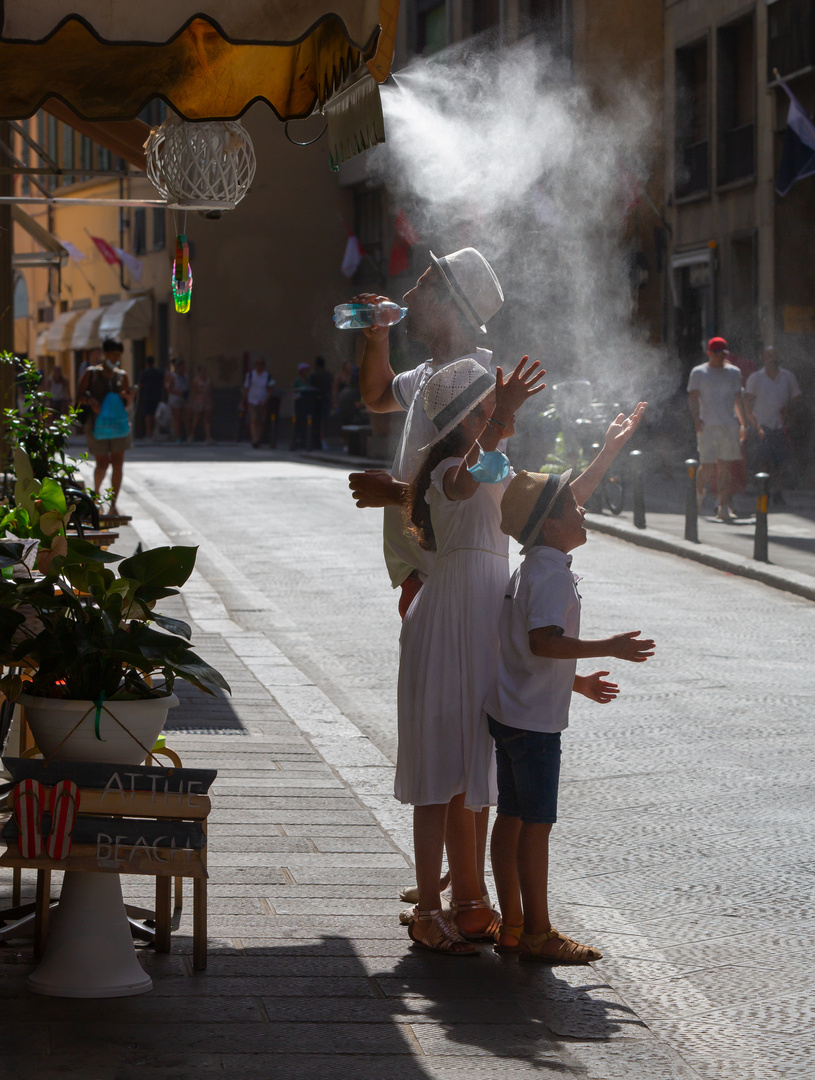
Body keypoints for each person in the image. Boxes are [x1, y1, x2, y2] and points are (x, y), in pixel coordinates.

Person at [396, 355, 546, 954]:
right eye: (486, 406)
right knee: (439, 768)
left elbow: (535, 506)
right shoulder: (449, 470)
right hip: (450, 614)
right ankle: (428, 911)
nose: (498, 414)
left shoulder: (493, 459)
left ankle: (470, 902)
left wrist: (607, 455)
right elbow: (466, 481)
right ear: (466, 417)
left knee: (478, 765)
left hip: (486, 613)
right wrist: (502, 417)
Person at [486, 470, 655, 961]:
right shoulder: (552, 573)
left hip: (511, 710)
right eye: (572, 508)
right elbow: (544, 641)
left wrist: (576, 682)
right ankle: (538, 930)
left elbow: (524, 644)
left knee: (512, 818)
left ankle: (513, 924)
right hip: (535, 724)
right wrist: (612, 647)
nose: (582, 511)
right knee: (536, 824)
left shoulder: (532, 567)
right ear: (552, 526)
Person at [688, 336, 748, 521]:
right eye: (718, 353)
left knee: (725, 468)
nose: (721, 357)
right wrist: (696, 420)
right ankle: (698, 494)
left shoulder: (733, 372)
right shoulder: (699, 372)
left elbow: (738, 399)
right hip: (708, 426)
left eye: (724, 353)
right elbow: (692, 397)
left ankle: (723, 505)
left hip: (729, 426)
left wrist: (743, 423)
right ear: (710, 353)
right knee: (706, 466)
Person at [75, 338, 134, 511]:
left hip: (118, 425)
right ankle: (96, 494)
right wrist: (91, 401)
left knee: (117, 462)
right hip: (96, 425)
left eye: (118, 355)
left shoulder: (122, 376)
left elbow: (126, 404)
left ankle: (114, 504)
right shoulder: (91, 373)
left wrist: (128, 397)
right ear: (105, 354)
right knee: (102, 463)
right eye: (113, 354)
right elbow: (78, 396)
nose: (116, 359)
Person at [744, 346, 802, 505]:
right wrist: (754, 425)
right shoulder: (755, 378)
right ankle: (764, 490)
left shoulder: (787, 376)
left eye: (775, 356)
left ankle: (778, 491)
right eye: (769, 356)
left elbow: (796, 398)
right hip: (763, 425)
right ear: (763, 358)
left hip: (781, 426)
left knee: (780, 462)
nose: (772, 359)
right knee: (763, 460)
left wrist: (789, 407)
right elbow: (748, 404)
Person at [240, 356, 274, 448]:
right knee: (254, 419)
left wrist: (266, 399)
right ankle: (254, 439)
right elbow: (246, 388)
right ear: (255, 365)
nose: (260, 366)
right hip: (252, 400)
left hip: (263, 401)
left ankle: (258, 439)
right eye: (258, 364)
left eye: (262, 364)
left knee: (261, 421)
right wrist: (242, 402)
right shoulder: (250, 375)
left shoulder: (268, 376)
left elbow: (270, 390)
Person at [138, 355, 164, 440]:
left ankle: (149, 433)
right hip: (156, 396)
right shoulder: (158, 372)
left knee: (148, 415)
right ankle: (152, 432)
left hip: (147, 396)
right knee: (154, 415)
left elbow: (140, 385)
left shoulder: (144, 373)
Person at [188, 363, 215, 444]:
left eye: (204, 370)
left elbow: (211, 391)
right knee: (196, 419)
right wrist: (192, 402)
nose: (203, 372)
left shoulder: (208, 380)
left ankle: (208, 436)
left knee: (207, 419)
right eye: (201, 370)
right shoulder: (196, 381)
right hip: (198, 400)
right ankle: (191, 435)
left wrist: (212, 400)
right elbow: (193, 391)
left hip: (207, 400)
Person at [165, 358, 190, 443]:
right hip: (175, 399)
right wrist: (178, 393)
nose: (183, 369)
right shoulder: (173, 376)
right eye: (181, 367)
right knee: (177, 419)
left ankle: (188, 436)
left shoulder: (185, 376)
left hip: (184, 399)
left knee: (186, 418)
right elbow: (168, 389)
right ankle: (178, 437)